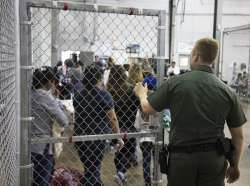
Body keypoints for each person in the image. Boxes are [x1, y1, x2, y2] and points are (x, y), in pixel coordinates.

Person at [134, 38, 246, 186]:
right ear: (212, 59)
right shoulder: (228, 92)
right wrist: (235, 165)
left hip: (182, 159)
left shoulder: (175, 83)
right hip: (213, 159)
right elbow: (238, 137)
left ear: (196, 56)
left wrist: (141, 93)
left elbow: (147, 109)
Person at [74, 66, 123, 186]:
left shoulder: (78, 96)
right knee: (94, 167)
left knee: (89, 167)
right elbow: (112, 118)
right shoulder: (104, 95)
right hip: (98, 136)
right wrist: (118, 136)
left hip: (80, 136)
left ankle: (94, 182)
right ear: (99, 78)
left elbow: (77, 117)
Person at [31, 66, 69, 186]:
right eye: (53, 81)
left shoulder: (27, 92)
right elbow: (64, 121)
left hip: (27, 143)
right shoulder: (45, 96)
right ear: (49, 81)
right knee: (43, 180)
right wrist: (57, 104)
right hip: (43, 146)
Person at [107, 65, 140, 185]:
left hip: (115, 128)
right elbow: (139, 106)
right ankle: (121, 173)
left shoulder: (109, 92)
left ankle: (120, 173)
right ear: (124, 75)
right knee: (129, 152)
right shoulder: (131, 90)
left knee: (118, 152)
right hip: (130, 126)